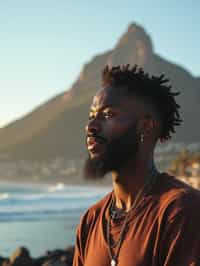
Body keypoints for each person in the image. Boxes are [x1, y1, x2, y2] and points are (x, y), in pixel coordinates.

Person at [73, 65, 200, 266]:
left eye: (108, 115)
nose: (91, 126)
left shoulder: (181, 211)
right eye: (91, 116)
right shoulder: (90, 221)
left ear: (145, 126)